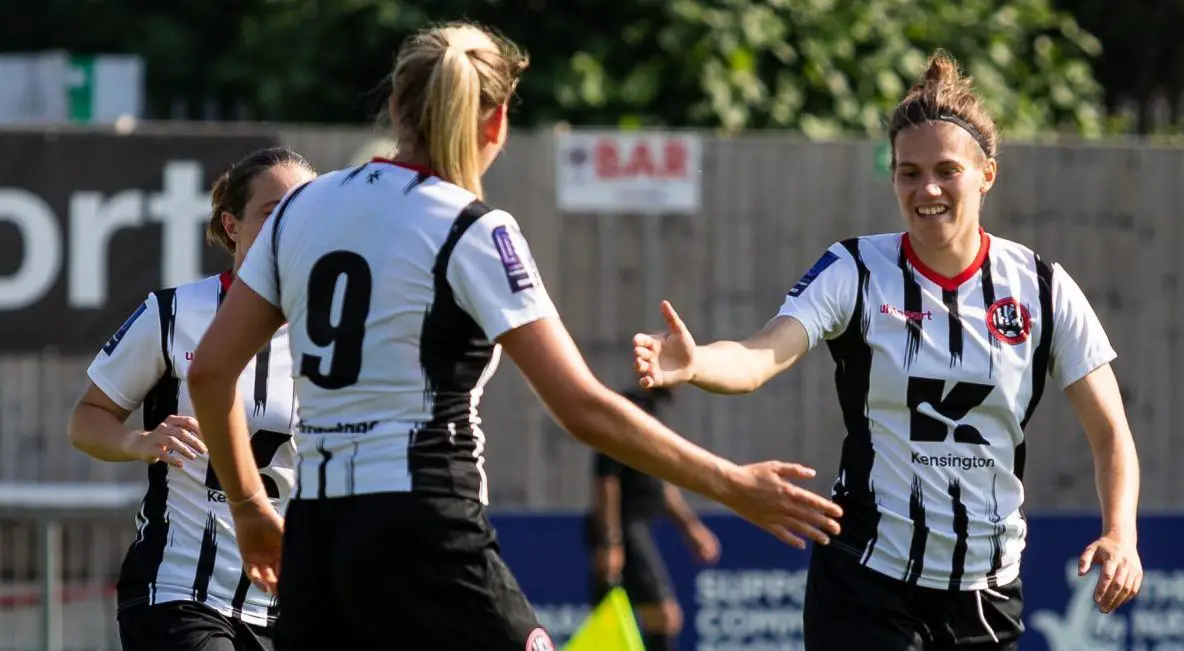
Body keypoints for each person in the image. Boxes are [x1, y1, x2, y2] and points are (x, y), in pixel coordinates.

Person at [184, 20, 843, 651]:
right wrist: (728, 482)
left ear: (393, 104)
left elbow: (211, 372)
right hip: (423, 523)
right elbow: (580, 406)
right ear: (495, 122)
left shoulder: (301, 207)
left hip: (318, 535)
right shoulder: (469, 226)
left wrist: (247, 506)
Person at [632, 50, 1143, 651]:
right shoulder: (855, 269)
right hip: (865, 582)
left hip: (987, 591)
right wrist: (697, 363)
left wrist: (1121, 534)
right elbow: (760, 355)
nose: (926, 188)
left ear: (987, 175)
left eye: (946, 170)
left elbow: (1111, 433)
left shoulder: (1043, 288)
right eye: (908, 172)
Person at [68, 147, 317, 651]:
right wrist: (138, 441)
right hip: (179, 591)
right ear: (232, 226)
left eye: (306, 213)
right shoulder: (174, 312)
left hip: (293, 602)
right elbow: (86, 419)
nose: (292, 227)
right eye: (273, 213)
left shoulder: (334, 328)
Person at [586, 386, 720, 651]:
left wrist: (690, 527)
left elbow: (660, 486)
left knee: (647, 621)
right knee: (662, 618)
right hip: (624, 530)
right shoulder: (625, 411)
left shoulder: (653, 415)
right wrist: (611, 541)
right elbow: (607, 482)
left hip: (636, 529)